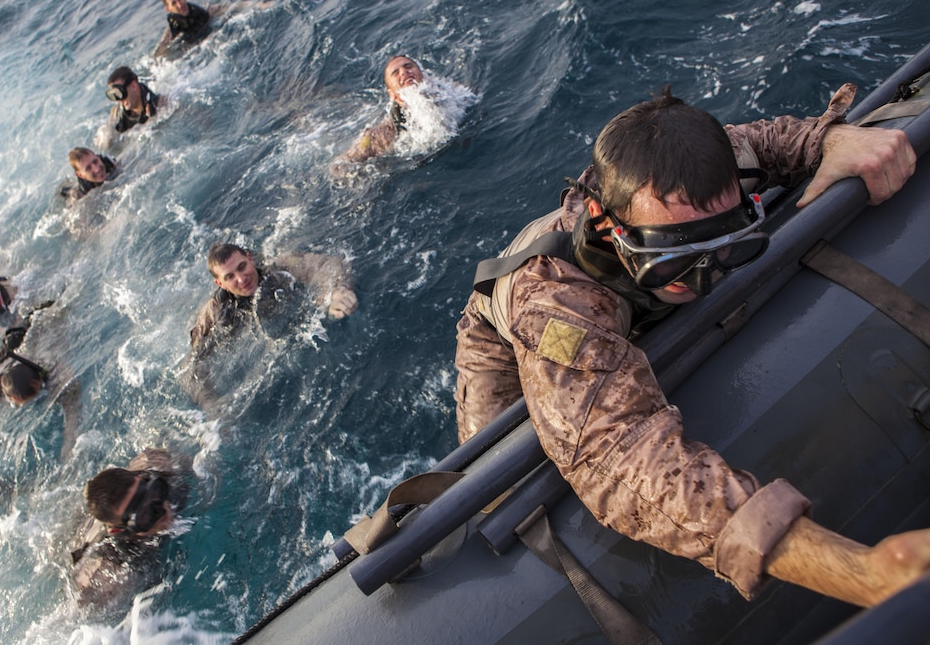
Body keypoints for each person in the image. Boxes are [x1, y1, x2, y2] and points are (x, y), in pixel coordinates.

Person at [454, 83, 927, 609]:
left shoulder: (707, 175)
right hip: (507, 337)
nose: (701, 279)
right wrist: (858, 570)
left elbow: (763, 142)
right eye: (673, 261)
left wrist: (829, 139)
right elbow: (616, 457)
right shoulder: (555, 305)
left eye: (726, 248)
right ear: (609, 226)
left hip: (630, 296)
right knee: (504, 491)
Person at [182, 243, 358, 405]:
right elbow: (189, 367)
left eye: (242, 267)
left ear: (250, 258)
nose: (242, 279)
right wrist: (211, 404)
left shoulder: (279, 267)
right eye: (230, 277)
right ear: (220, 283)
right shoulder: (215, 313)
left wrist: (337, 291)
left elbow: (330, 265)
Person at [68, 447, 194, 615]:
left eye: (154, 493)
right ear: (121, 530)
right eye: (144, 515)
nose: (161, 510)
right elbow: (77, 615)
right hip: (83, 536)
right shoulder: (112, 574)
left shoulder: (157, 467)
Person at [0, 310, 81, 461]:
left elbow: (74, 412)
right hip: (23, 350)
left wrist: (69, 448)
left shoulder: (58, 375)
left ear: (36, 383)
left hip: (53, 328)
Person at [331, 55, 477, 177]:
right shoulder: (381, 135)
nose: (404, 72)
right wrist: (370, 175)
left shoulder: (453, 93)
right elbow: (338, 166)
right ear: (393, 95)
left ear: (422, 75)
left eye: (408, 66)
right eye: (395, 73)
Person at [99, 66, 164, 147]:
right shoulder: (117, 114)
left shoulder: (159, 105)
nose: (119, 100)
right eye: (114, 95)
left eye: (121, 93)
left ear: (134, 86)